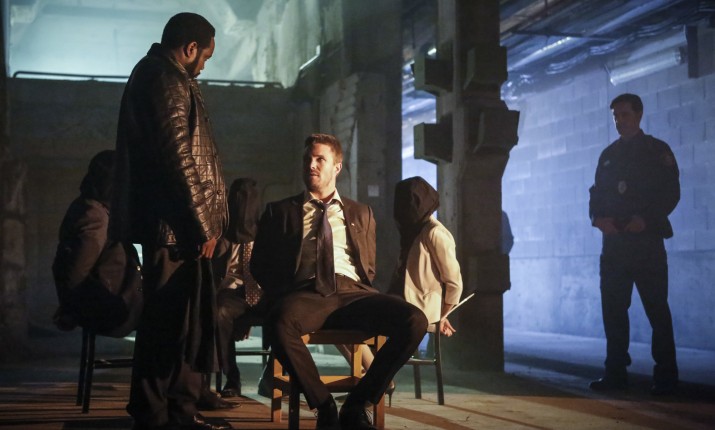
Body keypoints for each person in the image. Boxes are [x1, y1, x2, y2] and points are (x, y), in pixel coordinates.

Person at [251, 133, 428, 430]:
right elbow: (259, 264)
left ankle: (357, 405)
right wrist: (285, 293)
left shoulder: (361, 212)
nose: (311, 165)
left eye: (320, 159)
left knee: (415, 321)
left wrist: (359, 288)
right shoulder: (279, 211)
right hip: (306, 294)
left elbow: (368, 266)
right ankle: (324, 406)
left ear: (337, 166)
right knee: (278, 321)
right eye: (307, 159)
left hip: (353, 292)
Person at [111, 12, 231, 430]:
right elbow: (177, 157)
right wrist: (202, 225)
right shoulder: (165, 78)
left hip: (178, 227)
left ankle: (178, 412)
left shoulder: (163, 76)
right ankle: (155, 414)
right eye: (205, 57)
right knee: (167, 324)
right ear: (190, 48)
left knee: (183, 325)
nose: (204, 66)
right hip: (176, 230)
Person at [588, 93, 680, 396]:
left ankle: (666, 377)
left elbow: (670, 193)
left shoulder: (657, 151)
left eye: (624, 114)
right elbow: (596, 194)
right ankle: (615, 373)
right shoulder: (608, 155)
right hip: (614, 246)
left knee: (657, 310)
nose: (619, 121)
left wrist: (646, 220)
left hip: (646, 244)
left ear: (639, 115)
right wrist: (597, 218)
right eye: (615, 116)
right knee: (613, 311)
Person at [52, 150, 141, 337]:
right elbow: (76, 272)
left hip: (110, 303)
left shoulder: (89, 206)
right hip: (112, 307)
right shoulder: (95, 215)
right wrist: (73, 309)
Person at [213, 177, 263, 399]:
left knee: (286, 316)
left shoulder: (267, 234)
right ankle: (232, 378)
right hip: (230, 294)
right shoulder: (221, 236)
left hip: (261, 294)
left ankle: (273, 378)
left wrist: (248, 317)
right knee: (219, 313)